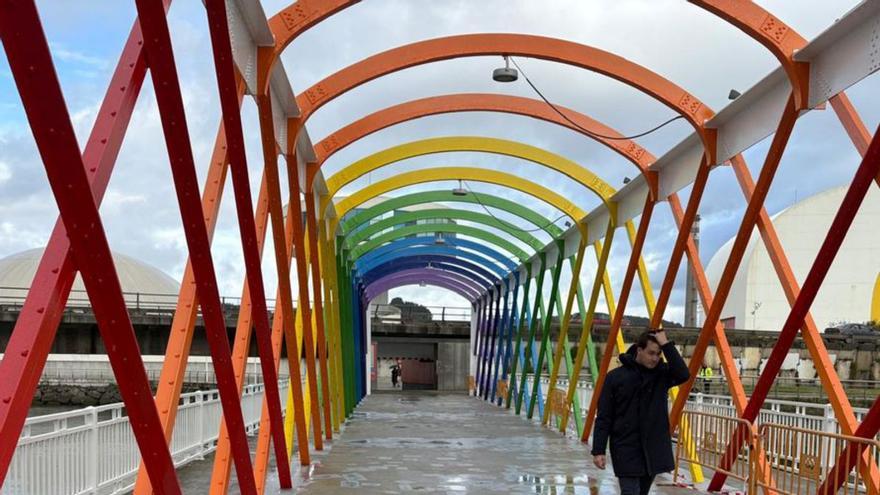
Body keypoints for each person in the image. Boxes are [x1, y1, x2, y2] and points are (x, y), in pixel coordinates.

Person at [591, 329, 690, 495]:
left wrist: (667, 345)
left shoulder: (661, 375)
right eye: (651, 353)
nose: (655, 358)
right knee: (630, 491)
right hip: (625, 446)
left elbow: (683, 374)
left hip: (652, 448)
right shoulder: (615, 377)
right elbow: (604, 416)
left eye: (658, 354)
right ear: (639, 350)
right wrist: (599, 450)